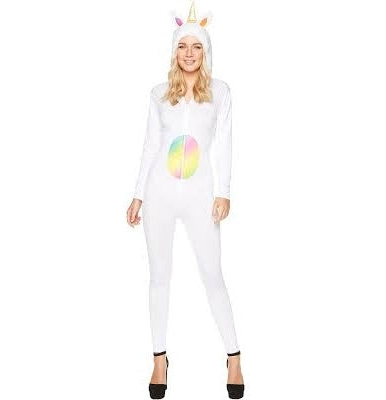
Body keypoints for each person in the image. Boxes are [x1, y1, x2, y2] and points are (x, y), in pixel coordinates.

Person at [126, 2, 244, 398]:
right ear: (174, 50)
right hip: (159, 193)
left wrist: (224, 192)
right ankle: (159, 358)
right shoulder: (159, 94)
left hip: (200, 196)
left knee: (212, 274)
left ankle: (234, 356)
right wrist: (138, 195)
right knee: (159, 276)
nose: (189, 53)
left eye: (196, 46)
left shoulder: (221, 92)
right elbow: (150, 146)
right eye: (182, 46)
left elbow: (223, 144)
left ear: (205, 51)